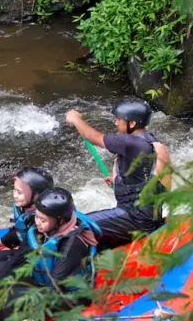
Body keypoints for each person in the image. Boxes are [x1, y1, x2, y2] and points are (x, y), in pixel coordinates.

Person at [65, 99, 172, 250]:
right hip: (150, 217)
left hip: (134, 219)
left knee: (77, 225)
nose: (116, 123)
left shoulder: (129, 142)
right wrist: (122, 181)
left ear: (132, 123)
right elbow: (157, 181)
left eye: (119, 120)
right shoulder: (153, 143)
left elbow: (93, 136)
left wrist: (76, 119)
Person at [0, 188, 101, 321]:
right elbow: (21, 256)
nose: (37, 222)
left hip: (70, 295)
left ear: (60, 221)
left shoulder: (72, 244)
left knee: (14, 298)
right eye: (36, 216)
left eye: (42, 219)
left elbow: (56, 284)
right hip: (45, 280)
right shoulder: (45, 229)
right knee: (4, 284)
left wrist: (34, 317)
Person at [0, 167, 54, 285]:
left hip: (39, 265)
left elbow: (22, 254)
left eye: (19, 192)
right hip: (26, 254)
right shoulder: (27, 211)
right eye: (14, 190)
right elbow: (17, 232)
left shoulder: (42, 222)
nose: (15, 195)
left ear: (37, 195)